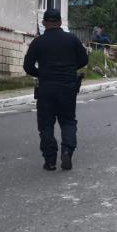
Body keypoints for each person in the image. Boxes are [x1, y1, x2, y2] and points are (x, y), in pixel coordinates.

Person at [23, 9, 89, 171]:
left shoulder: (38, 42)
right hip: (68, 87)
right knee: (68, 121)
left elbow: (28, 66)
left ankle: (50, 160)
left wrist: (42, 73)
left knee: (46, 125)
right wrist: (70, 68)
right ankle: (67, 151)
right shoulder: (72, 39)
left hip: (46, 88)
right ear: (60, 22)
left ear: (44, 23)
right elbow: (83, 60)